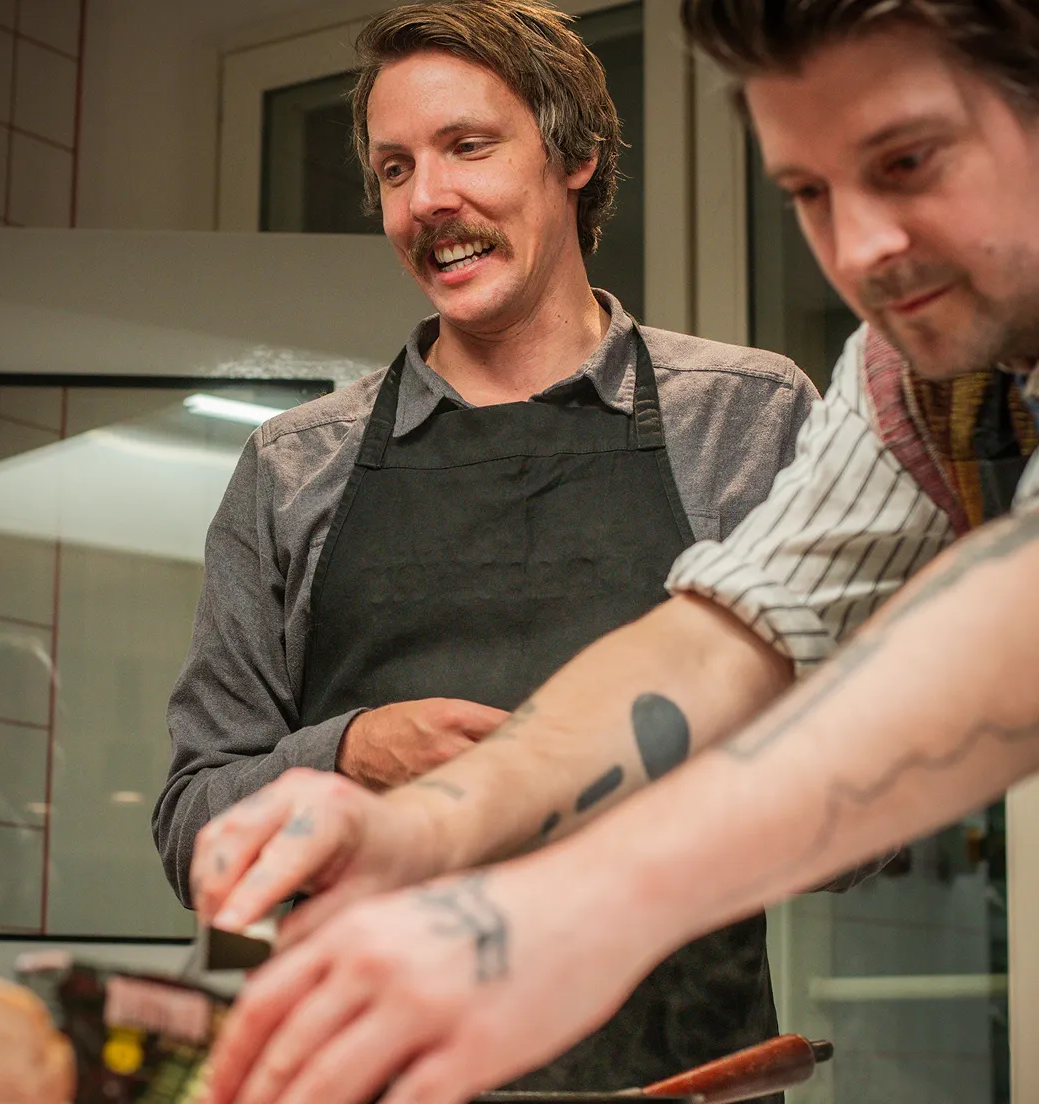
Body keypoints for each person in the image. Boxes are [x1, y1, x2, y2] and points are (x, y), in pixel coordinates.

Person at [190, 2, 1039, 1103]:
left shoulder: (742, 405)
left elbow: (998, 630)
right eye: (809, 194)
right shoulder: (914, 377)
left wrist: (580, 902)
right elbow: (727, 632)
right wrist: (418, 829)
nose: (863, 249)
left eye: (909, 160)